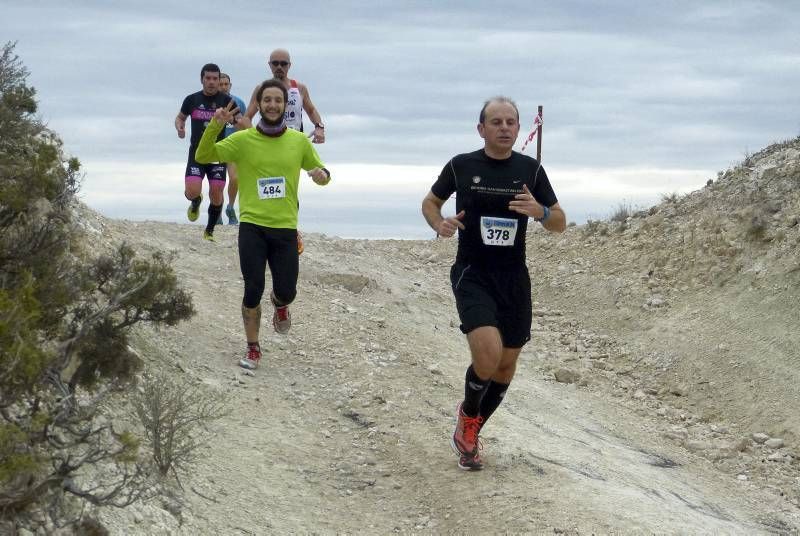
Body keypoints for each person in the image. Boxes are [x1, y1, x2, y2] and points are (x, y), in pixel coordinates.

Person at [421, 96, 566, 471]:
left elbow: (560, 222)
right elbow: (430, 202)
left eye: (510, 122)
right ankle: (469, 416)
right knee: (486, 355)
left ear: (519, 129)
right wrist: (440, 224)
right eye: (496, 122)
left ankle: (471, 431)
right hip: (473, 273)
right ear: (481, 128)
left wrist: (542, 212)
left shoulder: (531, 170)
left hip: (514, 279)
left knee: (504, 367)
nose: (504, 128)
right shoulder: (461, 165)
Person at [195, 79, 331, 371]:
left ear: (285, 105)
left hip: (284, 228)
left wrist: (321, 175)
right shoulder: (243, 140)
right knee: (252, 288)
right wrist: (215, 126)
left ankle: (280, 304)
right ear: (259, 105)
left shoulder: (297, 141)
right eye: (266, 100)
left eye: (277, 100)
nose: (272, 105)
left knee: (288, 290)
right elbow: (204, 156)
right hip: (252, 226)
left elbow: (321, 170)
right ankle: (253, 347)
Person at [241, 48, 326, 254]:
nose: (279, 67)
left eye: (283, 64)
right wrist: (254, 140)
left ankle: (290, 229)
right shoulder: (262, 89)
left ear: (290, 66)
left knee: (289, 187)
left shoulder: (299, 88)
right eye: (275, 63)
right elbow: (246, 117)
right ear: (269, 65)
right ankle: (266, 228)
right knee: (269, 185)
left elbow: (311, 109)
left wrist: (319, 127)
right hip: (267, 142)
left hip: (292, 145)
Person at [174, 63, 236, 241]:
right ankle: (195, 201)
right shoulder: (192, 100)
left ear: (219, 80)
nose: (211, 82)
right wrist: (180, 127)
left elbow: (241, 122)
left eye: (215, 79)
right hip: (197, 154)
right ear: (202, 79)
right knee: (193, 190)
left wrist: (233, 120)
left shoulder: (226, 101)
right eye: (207, 78)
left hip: (217, 154)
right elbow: (180, 117)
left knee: (217, 192)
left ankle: (209, 231)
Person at [218, 73, 247, 225]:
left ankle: (230, 207)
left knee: (235, 178)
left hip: (234, 147)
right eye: (220, 84)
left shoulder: (239, 103)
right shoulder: (213, 103)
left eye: (226, 84)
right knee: (217, 182)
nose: (223, 87)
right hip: (216, 148)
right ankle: (217, 211)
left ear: (230, 85)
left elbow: (245, 126)